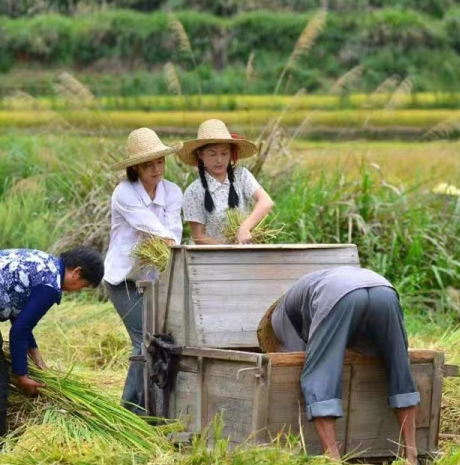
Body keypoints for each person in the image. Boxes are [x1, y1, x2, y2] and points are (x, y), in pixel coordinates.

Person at [258, 266, 420, 464]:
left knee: (318, 374)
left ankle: (333, 459)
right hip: (384, 290)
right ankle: (412, 455)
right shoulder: (306, 289)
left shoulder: (278, 322)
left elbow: (295, 358)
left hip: (336, 295)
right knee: (399, 365)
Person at [104, 128, 183, 414]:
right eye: (148, 164)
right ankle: (130, 411)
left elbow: (175, 232)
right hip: (123, 281)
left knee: (160, 344)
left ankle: (155, 408)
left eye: (160, 162)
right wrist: (171, 244)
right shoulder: (124, 193)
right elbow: (150, 227)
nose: (156, 169)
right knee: (143, 343)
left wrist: (173, 248)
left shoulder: (173, 192)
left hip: (155, 281)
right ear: (135, 166)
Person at [0, 246, 104, 436]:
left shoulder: (45, 264)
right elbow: (19, 331)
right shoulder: (50, 285)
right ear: (77, 272)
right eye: (84, 286)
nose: (78, 291)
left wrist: (37, 358)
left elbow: (20, 318)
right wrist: (22, 376)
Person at [178, 119, 273, 244]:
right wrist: (228, 251)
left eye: (224, 153)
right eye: (212, 154)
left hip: (247, 253)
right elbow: (198, 236)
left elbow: (266, 202)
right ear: (200, 155)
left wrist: (244, 228)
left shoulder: (241, 176)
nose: (219, 160)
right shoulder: (193, 192)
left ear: (231, 154)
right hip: (215, 258)